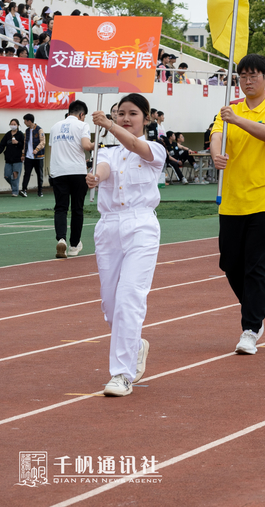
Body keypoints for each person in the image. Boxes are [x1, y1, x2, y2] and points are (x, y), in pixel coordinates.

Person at [84, 94, 165, 396]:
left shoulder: (154, 150)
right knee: (111, 305)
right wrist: (94, 176)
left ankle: (122, 374)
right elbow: (103, 170)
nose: (125, 119)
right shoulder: (105, 153)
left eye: (133, 114)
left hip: (141, 226)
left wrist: (107, 125)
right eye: (120, 114)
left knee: (130, 298)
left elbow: (135, 146)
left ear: (146, 118)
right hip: (108, 228)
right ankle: (135, 344)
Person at [210, 54, 265, 356]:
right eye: (243, 76)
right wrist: (217, 153)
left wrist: (238, 120)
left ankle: (250, 329)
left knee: (257, 266)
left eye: (254, 75)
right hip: (232, 200)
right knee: (229, 263)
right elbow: (216, 135)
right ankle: (257, 301)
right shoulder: (228, 111)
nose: (247, 80)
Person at [50, 100, 95, 258]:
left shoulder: (55, 126)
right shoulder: (83, 125)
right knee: (77, 209)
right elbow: (86, 146)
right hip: (77, 171)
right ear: (82, 114)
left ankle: (61, 238)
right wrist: (97, 144)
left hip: (58, 172)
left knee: (61, 208)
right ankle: (74, 245)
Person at [20, 114, 45, 197]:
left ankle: (40, 191)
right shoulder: (27, 131)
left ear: (29, 121)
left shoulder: (39, 129)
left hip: (38, 157)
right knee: (27, 173)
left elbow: (43, 142)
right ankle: (24, 190)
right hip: (28, 156)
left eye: (25, 121)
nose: (24, 122)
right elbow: (25, 143)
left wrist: (36, 149)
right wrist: (23, 154)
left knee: (39, 174)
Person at [0, 119, 25, 196]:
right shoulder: (7, 135)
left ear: (17, 125)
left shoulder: (20, 135)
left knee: (15, 175)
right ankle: (15, 187)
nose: (13, 125)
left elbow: (24, 145)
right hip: (8, 158)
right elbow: (2, 145)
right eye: (11, 124)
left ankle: (15, 192)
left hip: (18, 158)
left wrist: (17, 142)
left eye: (14, 124)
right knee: (7, 176)